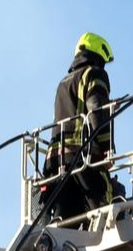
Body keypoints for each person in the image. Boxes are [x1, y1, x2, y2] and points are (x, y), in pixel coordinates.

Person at [40, 32, 125, 224]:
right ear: (98, 55)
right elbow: (96, 111)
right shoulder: (95, 74)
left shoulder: (63, 83)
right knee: (108, 204)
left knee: (66, 220)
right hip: (83, 156)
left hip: (56, 161)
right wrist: (106, 150)